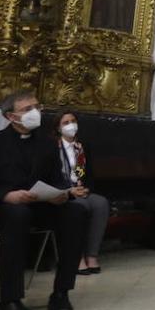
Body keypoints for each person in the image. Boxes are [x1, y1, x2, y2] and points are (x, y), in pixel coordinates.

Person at [0, 90, 86, 310]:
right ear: (11, 117)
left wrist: (62, 193)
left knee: (76, 212)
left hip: (40, 206)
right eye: (27, 109)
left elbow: (57, 179)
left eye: (37, 107)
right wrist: (7, 196)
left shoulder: (47, 144)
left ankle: (61, 293)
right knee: (17, 214)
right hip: (1, 209)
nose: (35, 112)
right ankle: (9, 301)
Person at [54, 111, 110, 275]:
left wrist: (86, 188)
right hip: (63, 191)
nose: (71, 125)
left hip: (80, 189)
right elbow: (51, 175)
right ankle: (75, 257)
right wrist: (69, 190)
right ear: (58, 128)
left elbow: (89, 173)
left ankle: (92, 255)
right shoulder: (53, 147)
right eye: (66, 122)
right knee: (80, 205)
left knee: (100, 203)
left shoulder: (82, 147)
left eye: (73, 121)